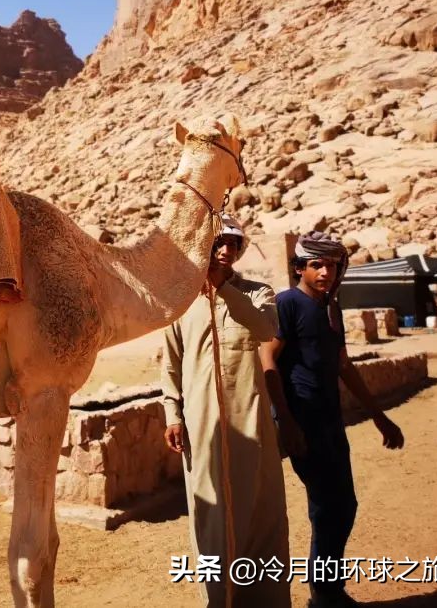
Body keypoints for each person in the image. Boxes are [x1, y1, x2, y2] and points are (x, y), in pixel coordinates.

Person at [261, 232, 405, 608]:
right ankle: (324, 593)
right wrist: (287, 422)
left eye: (332, 265)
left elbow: (343, 365)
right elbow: (268, 360)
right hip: (304, 419)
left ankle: (327, 588)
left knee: (344, 505)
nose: (325, 272)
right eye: (317, 265)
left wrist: (380, 417)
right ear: (300, 269)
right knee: (328, 505)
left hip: (329, 419)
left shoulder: (330, 307)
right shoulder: (287, 303)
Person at [161, 215, 291, 607]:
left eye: (233, 244)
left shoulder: (257, 293)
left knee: (260, 509)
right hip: (202, 427)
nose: (226, 250)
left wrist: (224, 292)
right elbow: (169, 362)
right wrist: (172, 413)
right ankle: (218, 599)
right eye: (219, 242)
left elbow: (265, 329)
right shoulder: (180, 303)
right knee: (210, 512)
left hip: (251, 422)